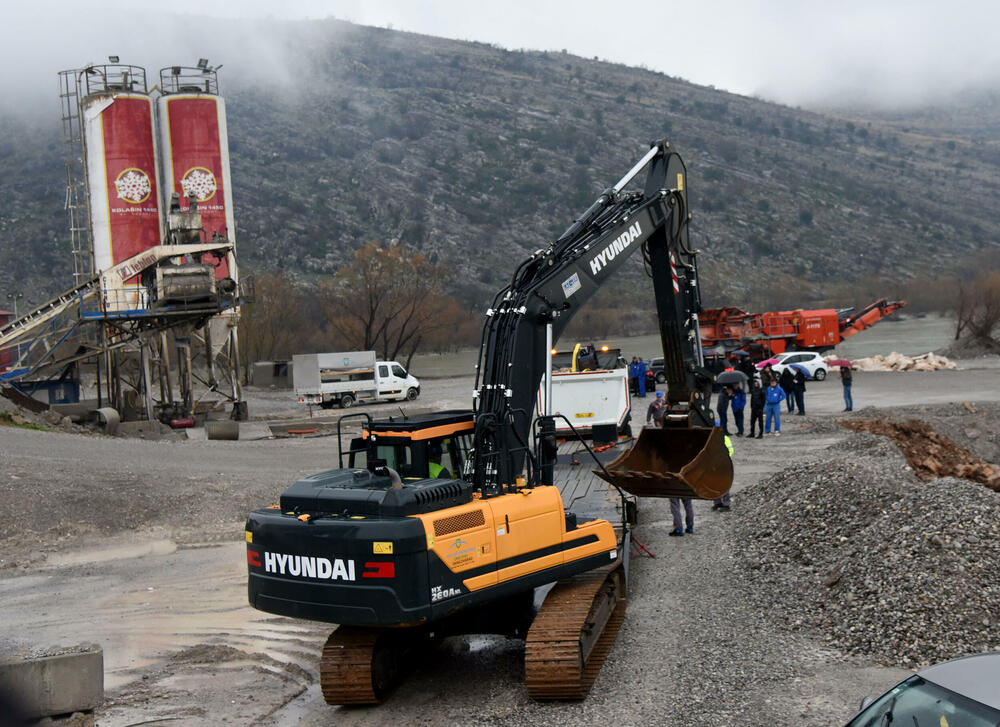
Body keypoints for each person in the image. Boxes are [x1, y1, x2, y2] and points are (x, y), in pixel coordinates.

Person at [713, 430, 734, 511]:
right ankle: (718, 503)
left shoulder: (722, 439)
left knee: (723, 484)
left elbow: (730, 451)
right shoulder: (721, 438)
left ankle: (725, 504)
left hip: (722, 464)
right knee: (715, 484)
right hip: (716, 464)